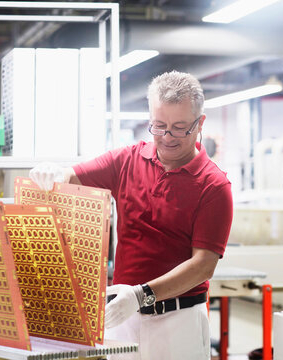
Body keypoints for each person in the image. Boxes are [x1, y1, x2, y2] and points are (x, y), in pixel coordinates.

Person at [29, 71, 233, 360]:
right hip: (122, 315)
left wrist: (141, 295)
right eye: (159, 126)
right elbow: (70, 176)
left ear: (200, 123)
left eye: (179, 128)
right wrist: (50, 173)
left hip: (178, 320)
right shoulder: (126, 160)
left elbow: (203, 266)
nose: (167, 137)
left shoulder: (214, 185)